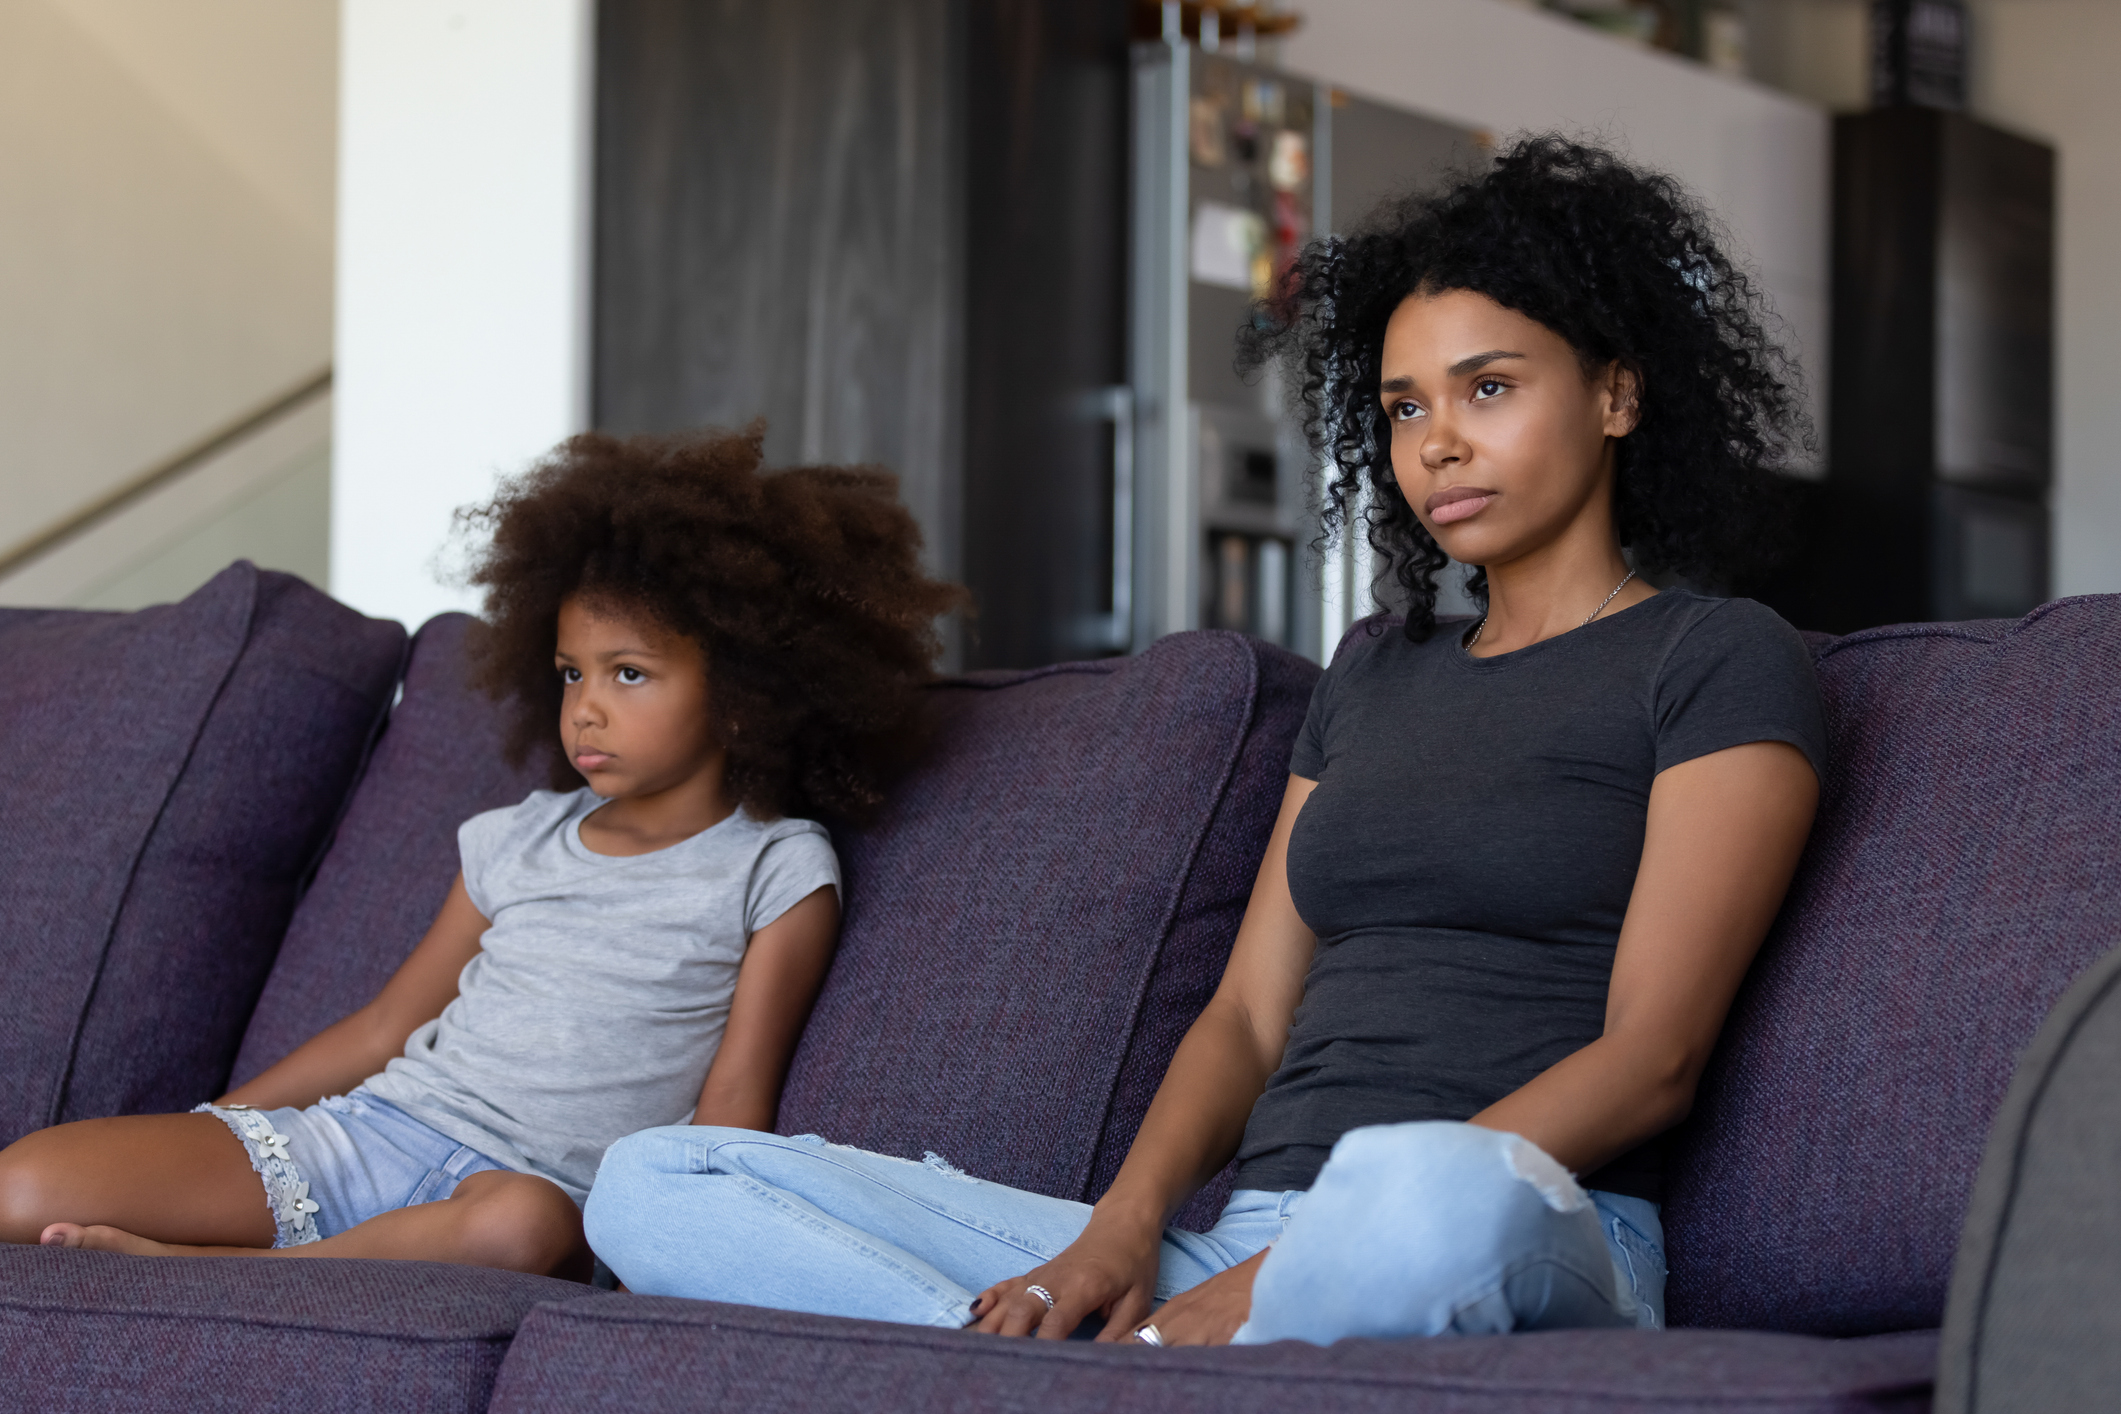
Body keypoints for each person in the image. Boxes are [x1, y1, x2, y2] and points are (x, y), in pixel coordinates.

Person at [580, 137, 1828, 1346]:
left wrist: (1296, 1266)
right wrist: (1121, 1233)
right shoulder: (1375, 673)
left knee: (1428, 1190)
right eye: (1402, 407)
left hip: (1508, 1224)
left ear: (1617, 393)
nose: (1435, 442)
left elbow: (1654, 1057)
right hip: (1244, 1240)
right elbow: (1243, 1015)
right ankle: (1070, 1367)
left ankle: (1131, 1364)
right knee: (657, 1177)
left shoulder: (1713, 659)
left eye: (1487, 387)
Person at [0, 428, 964, 1279]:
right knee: (25, 1181)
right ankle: (235, 1255)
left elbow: (731, 1099)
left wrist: (661, 1262)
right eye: (570, 673)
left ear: (748, 692)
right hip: (361, 1136)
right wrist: (220, 1126)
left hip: (523, 1196)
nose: (585, 706)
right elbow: (383, 1027)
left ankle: (195, 1274)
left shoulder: (777, 868)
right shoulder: (520, 835)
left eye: (630, 674)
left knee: (518, 1227)